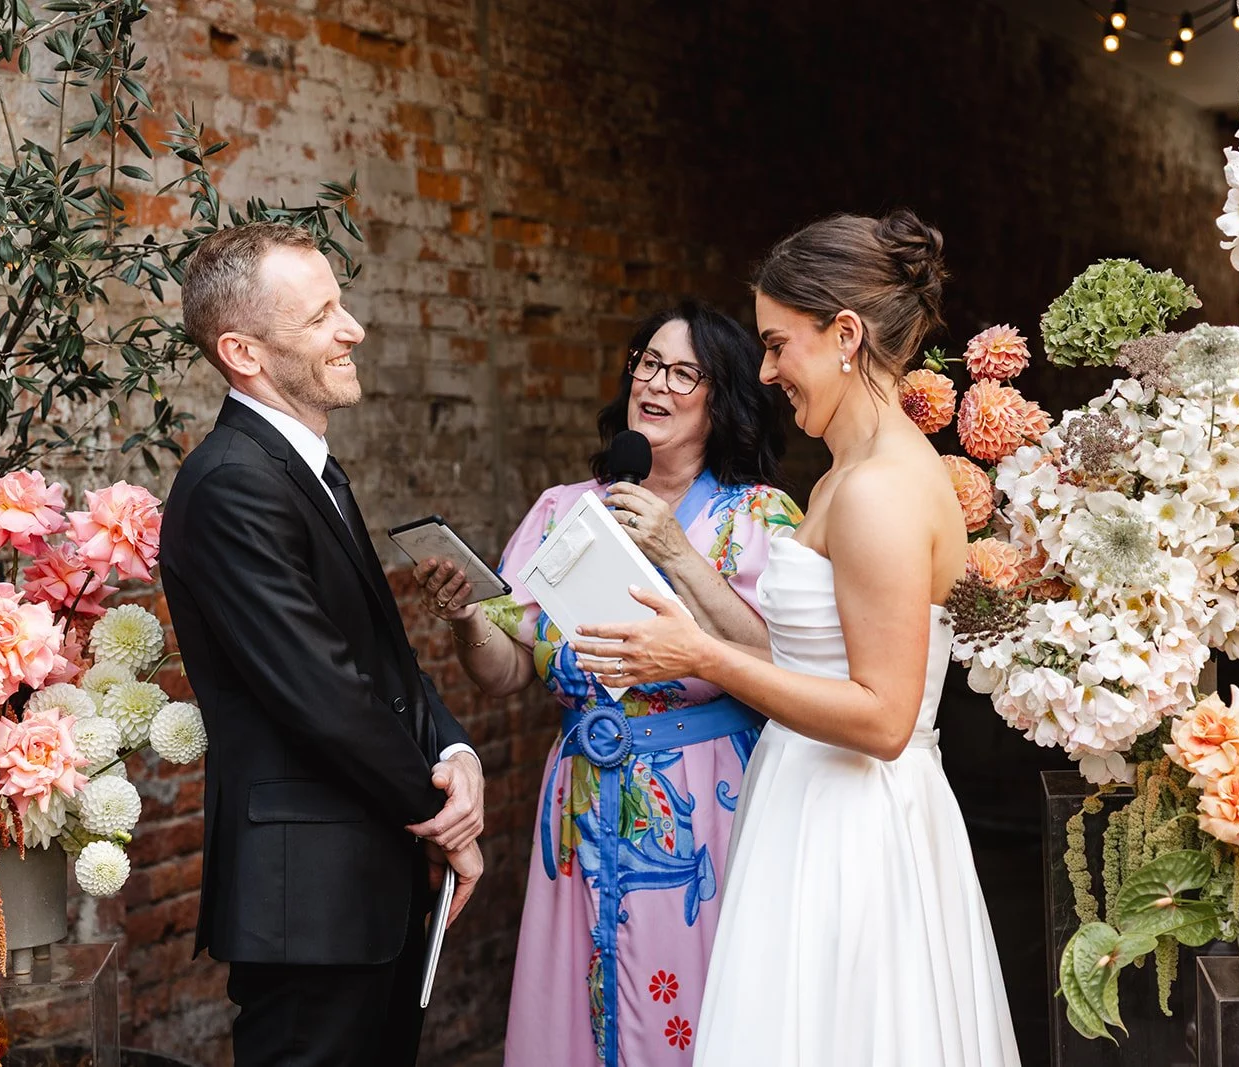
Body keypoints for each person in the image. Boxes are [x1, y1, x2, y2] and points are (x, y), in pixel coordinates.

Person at [571, 212, 1022, 1066]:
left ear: (845, 334)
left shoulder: (878, 491)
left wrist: (698, 657)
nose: (767, 370)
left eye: (779, 344)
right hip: (809, 797)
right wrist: (683, 566)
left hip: (850, 824)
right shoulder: (845, 475)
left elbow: (884, 717)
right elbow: (802, 658)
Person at [413, 300, 801, 1067]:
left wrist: (676, 550)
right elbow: (506, 671)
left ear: (721, 400)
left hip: (706, 808)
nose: (655, 383)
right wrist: (466, 618)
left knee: (696, 1011)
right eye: (647, 364)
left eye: (683, 372)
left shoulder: (759, 516)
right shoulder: (565, 509)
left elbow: (783, 664)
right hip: (580, 802)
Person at [160, 222, 486, 1067]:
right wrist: (443, 817)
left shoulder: (306, 468)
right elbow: (324, 691)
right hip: (305, 902)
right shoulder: (233, 483)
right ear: (244, 352)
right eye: (321, 317)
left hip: (361, 889)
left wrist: (454, 747)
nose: (354, 330)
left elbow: (381, 660)